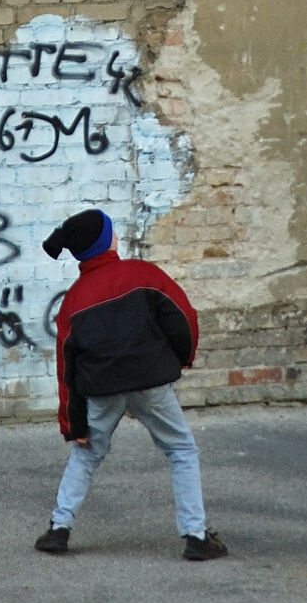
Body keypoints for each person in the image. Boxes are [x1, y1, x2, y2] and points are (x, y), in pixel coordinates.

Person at [33, 208, 227, 561]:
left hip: (101, 389)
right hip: (150, 382)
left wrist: (73, 423)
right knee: (181, 449)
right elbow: (184, 318)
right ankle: (196, 535)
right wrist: (181, 358)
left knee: (87, 454)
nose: (117, 236)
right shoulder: (143, 274)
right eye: (112, 232)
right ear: (106, 242)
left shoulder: (73, 300)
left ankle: (59, 528)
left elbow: (67, 368)